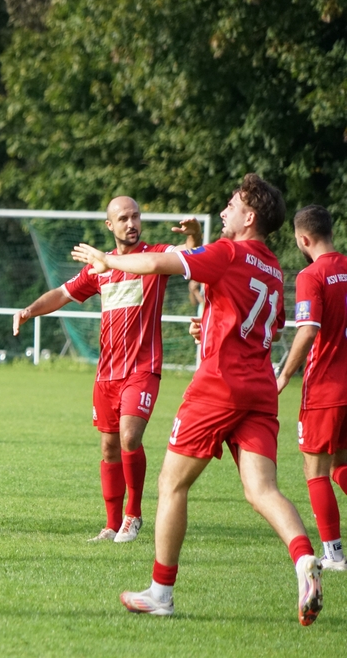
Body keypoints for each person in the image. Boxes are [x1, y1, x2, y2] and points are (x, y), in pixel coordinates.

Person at [72, 174, 323, 625]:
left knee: (172, 484)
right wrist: (206, 327)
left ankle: (161, 593)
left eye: (232, 205)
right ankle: (304, 559)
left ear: (250, 217)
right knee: (262, 489)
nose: (224, 211)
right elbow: (262, 325)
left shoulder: (229, 251)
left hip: (219, 386)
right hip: (260, 389)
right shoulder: (273, 267)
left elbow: (159, 263)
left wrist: (107, 260)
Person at [13, 197, 201, 543]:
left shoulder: (155, 255)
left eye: (135, 217)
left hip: (142, 368)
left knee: (130, 437)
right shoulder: (99, 268)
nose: (131, 223)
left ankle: (133, 516)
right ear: (109, 226)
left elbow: (192, 258)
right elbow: (62, 294)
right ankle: (111, 524)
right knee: (109, 448)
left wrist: (194, 236)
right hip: (107, 374)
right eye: (123, 218)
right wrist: (28, 311)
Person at [276, 205, 347, 573]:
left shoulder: (311, 274)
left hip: (326, 388)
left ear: (303, 239)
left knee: (315, 469)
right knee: (341, 464)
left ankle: (333, 555)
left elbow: (308, 330)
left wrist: (284, 374)